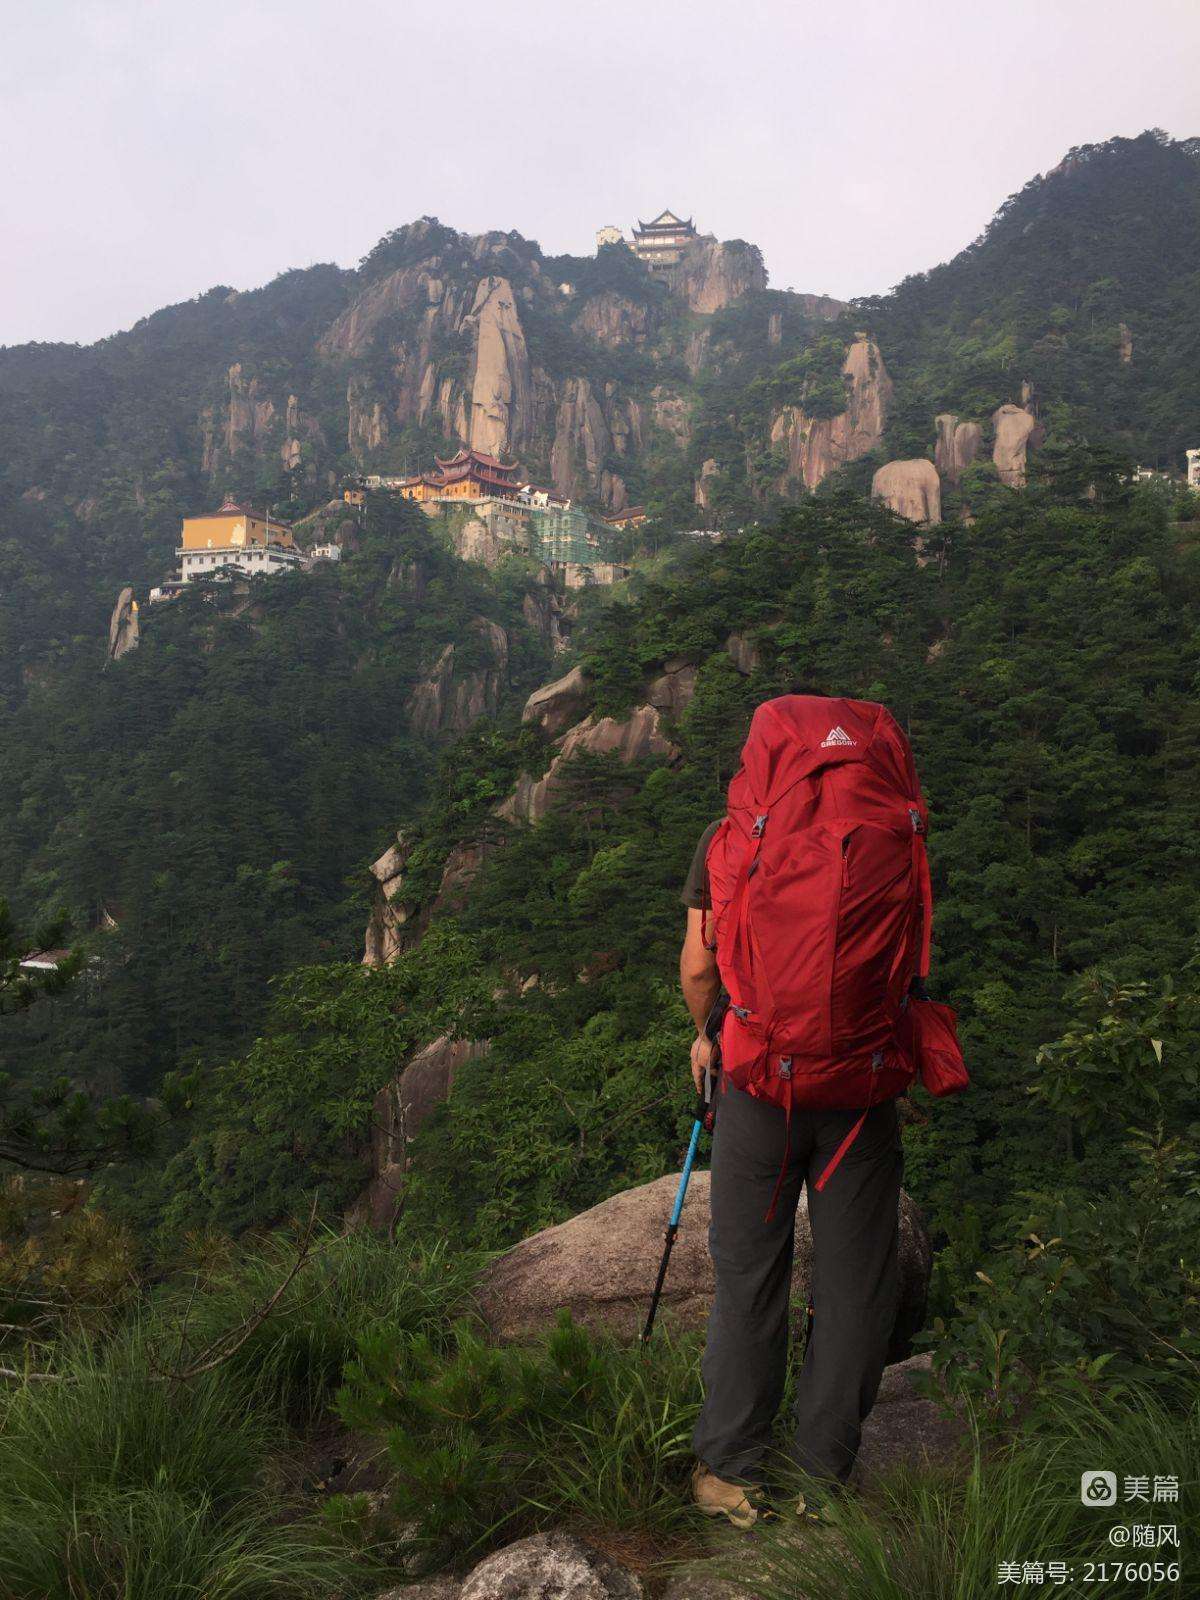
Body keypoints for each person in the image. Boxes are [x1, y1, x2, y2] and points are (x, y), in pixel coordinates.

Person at [678, 710, 912, 1529]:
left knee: (750, 1276)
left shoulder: (731, 835)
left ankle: (733, 1474)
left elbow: (703, 964)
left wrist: (708, 1037)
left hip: (758, 1090)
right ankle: (821, 1483)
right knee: (853, 1289)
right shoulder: (894, 824)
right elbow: (911, 953)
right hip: (861, 1092)